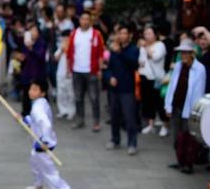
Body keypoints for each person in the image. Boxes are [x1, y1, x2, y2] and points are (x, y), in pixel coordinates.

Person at [23, 79, 80, 189]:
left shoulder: (38, 108)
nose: (31, 92)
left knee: (49, 171)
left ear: (42, 93)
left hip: (42, 144)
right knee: (35, 163)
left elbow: (45, 124)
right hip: (40, 142)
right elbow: (35, 121)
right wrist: (23, 119)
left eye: (35, 90)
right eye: (31, 89)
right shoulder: (41, 103)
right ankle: (39, 188)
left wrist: (45, 141)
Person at [164, 39, 207, 174]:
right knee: (177, 135)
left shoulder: (199, 69)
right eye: (182, 53)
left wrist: (194, 111)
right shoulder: (178, 66)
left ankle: (188, 163)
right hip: (176, 105)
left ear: (192, 54)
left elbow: (198, 92)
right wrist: (168, 106)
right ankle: (180, 160)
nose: (184, 55)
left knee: (189, 137)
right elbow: (172, 86)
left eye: (186, 53)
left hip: (189, 108)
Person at [67, 11, 105, 131]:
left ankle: (96, 122)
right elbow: (69, 52)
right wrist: (69, 68)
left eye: (87, 19)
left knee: (94, 98)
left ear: (90, 21)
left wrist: (99, 69)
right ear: (80, 20)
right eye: (83, 19)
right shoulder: (74, 34)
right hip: (77, 70)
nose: (85, 21)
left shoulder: (96, 34)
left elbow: (100, 53)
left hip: (91, 70)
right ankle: (80, 120)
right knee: (78, 97)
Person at [105, 24, 140, 155]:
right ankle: (115, 139)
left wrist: (120, 52)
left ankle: (132, 143)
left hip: (127, 89)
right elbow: (108, 68)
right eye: (120, 33)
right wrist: (109, 77)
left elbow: (133, 64)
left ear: (129, 36)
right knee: (114, 116)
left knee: (129, 117)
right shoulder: (113, 50)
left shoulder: (133, 50)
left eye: (125, 33)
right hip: (114, 89)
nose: (122, 36)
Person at [138, 25, 169, 137]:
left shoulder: (160, 45)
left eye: (149, 33)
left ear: (155, 35)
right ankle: (151, 124)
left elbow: (155, 58)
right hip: (145, 76)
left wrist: (146, 48)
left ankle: (165, 126)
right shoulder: (142, 47)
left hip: (157, 79)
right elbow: (141, 60)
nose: (147, 36)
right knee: (149, 101)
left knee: (160, 103)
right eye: (145, 34)